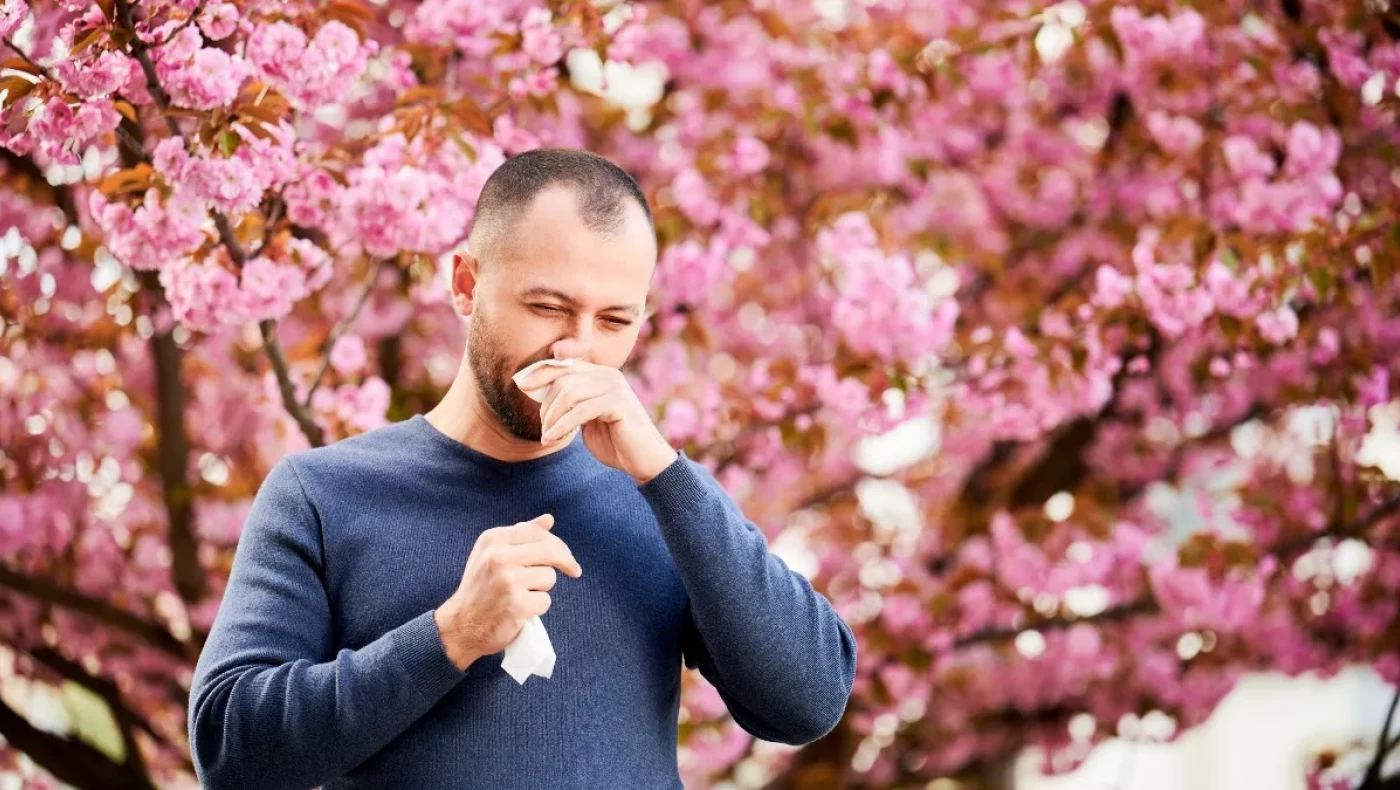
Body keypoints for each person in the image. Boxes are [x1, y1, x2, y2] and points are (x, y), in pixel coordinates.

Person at [187, 148, 858, 790]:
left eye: (614, 320)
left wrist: (663, 473)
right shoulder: (322, 495)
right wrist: (450, 635)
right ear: (466, 285)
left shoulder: (661, 501)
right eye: (549, 307)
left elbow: (808, 700)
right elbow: (227, 748)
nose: (579, 347)